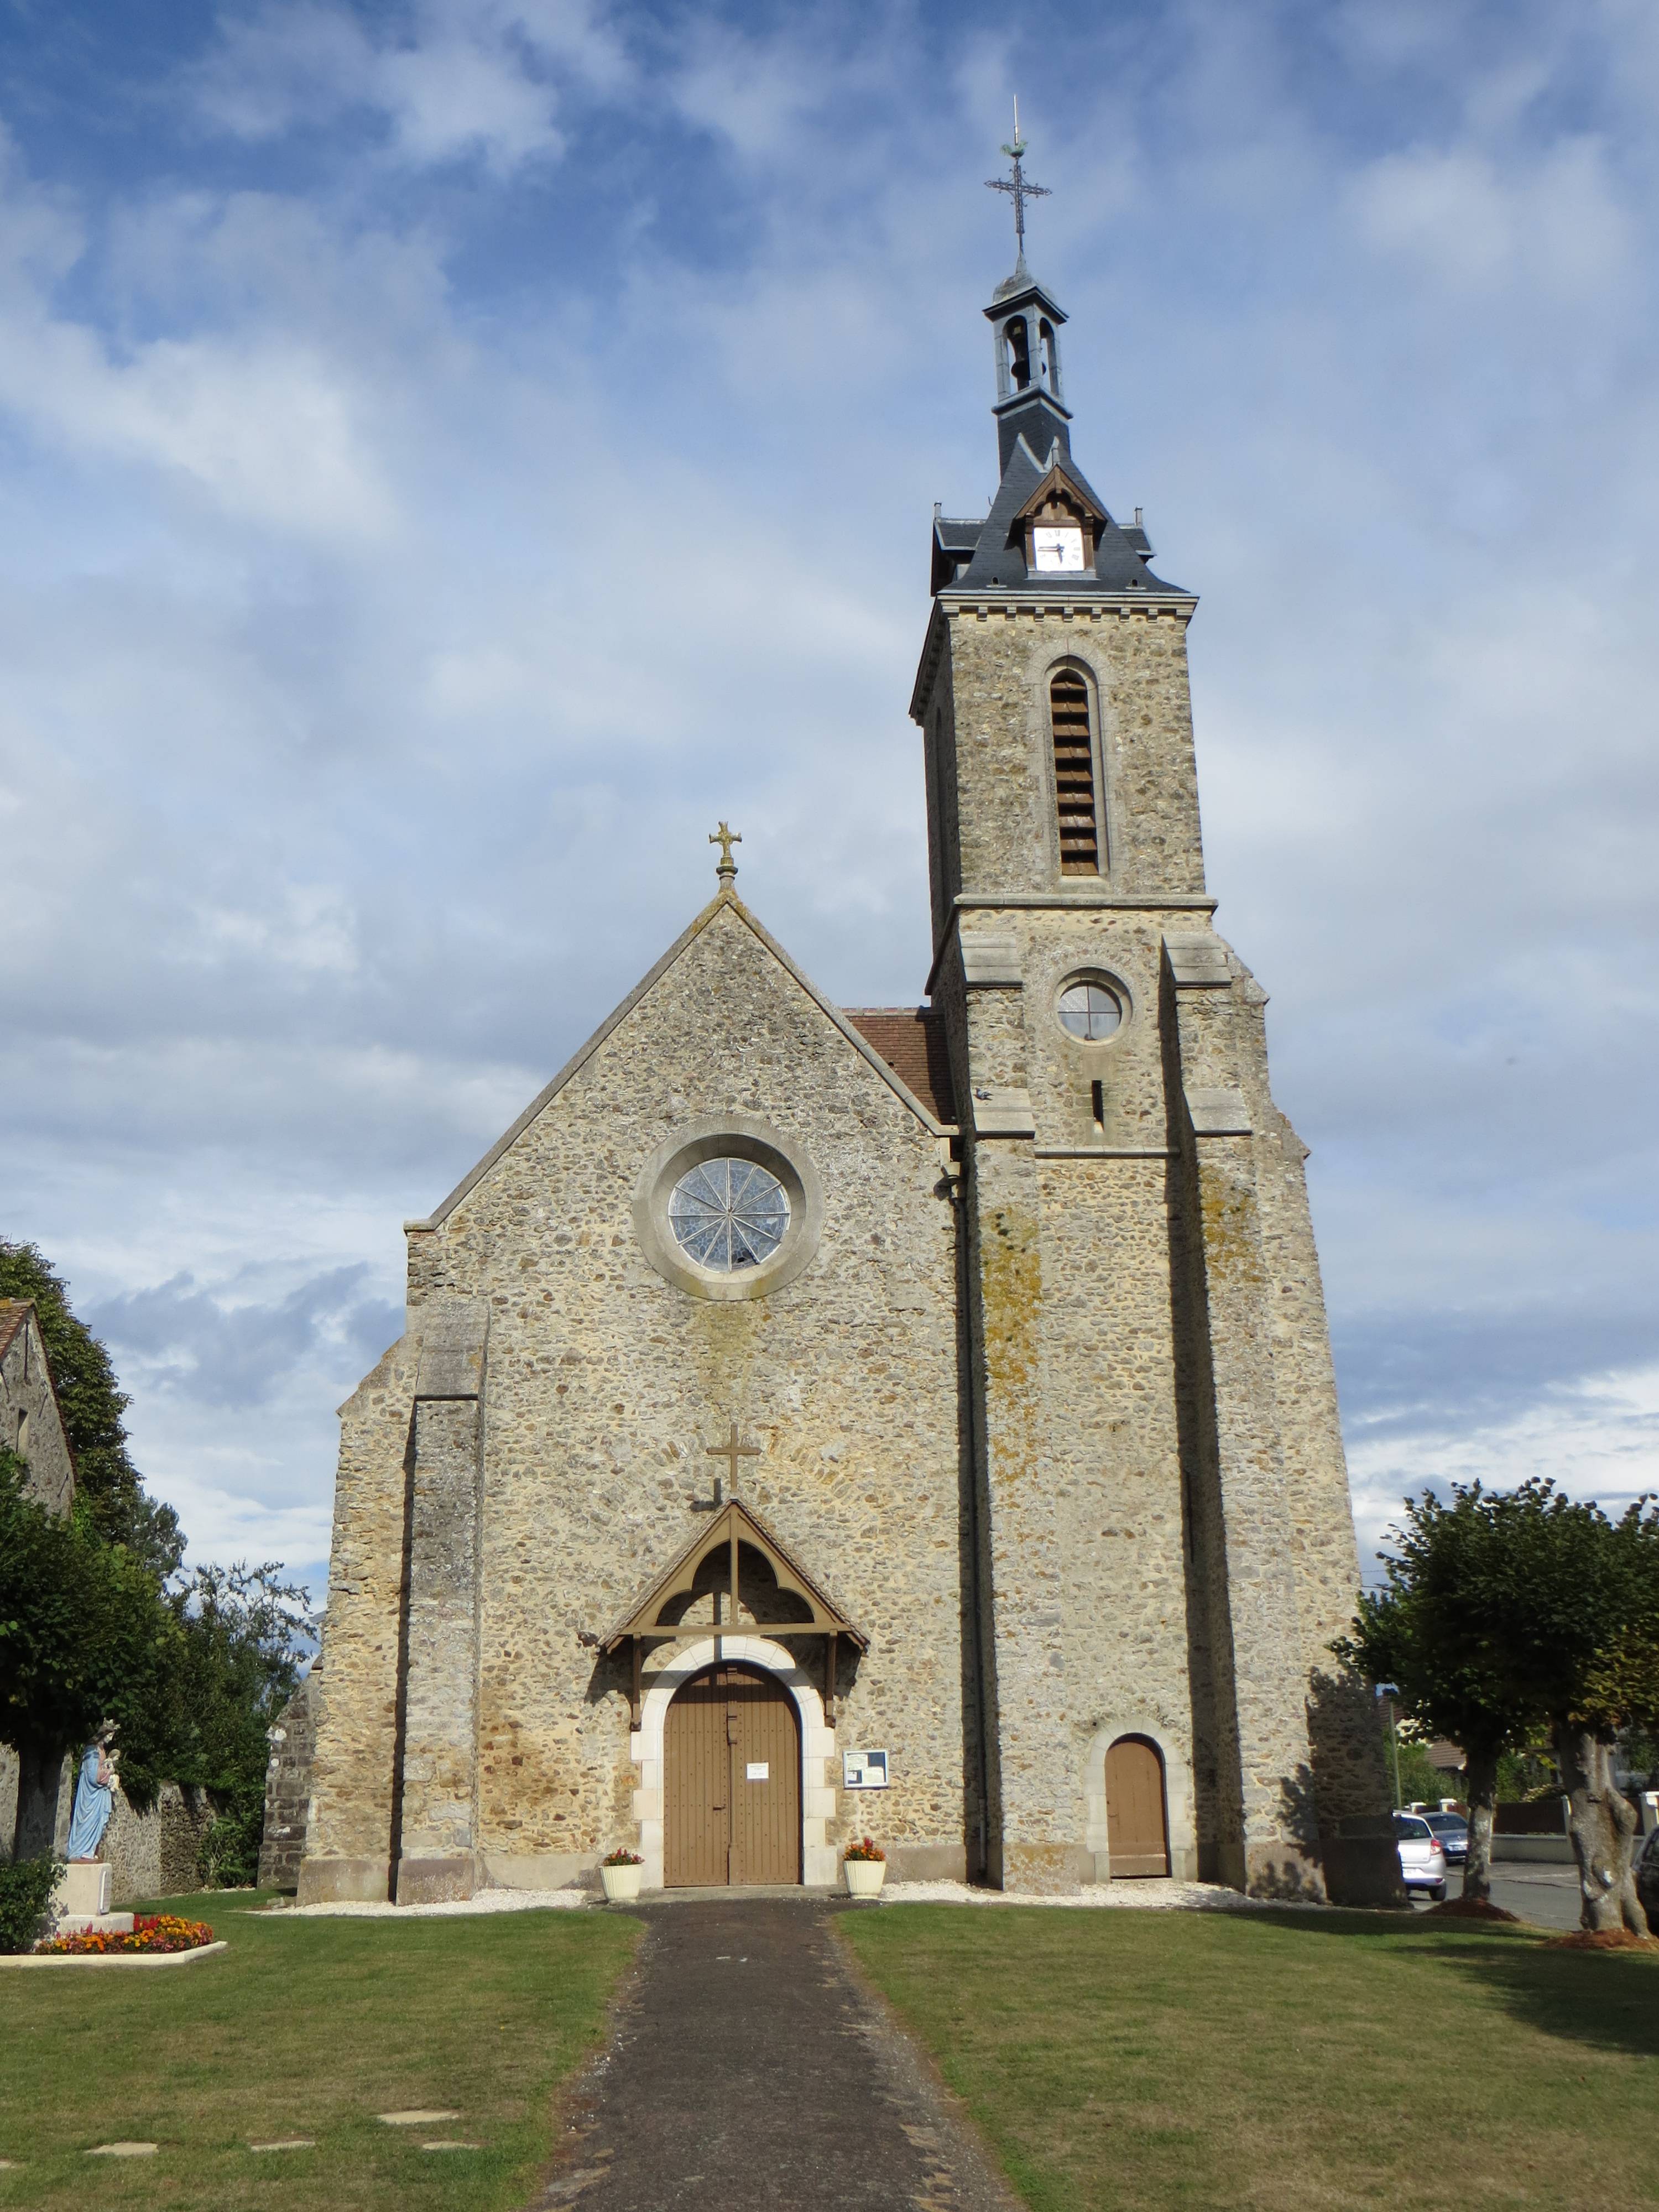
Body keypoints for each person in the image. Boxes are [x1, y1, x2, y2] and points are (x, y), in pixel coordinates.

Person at [65, 1740, 114, 1862]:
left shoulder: (102, 1751)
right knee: (88, 1821)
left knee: (101, 1822)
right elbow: (94, 1778)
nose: (110, 1739)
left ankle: (91, 1849)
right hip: (90, 1797)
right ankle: (83, 1850)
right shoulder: (92, 1751)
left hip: (100, 1795)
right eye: (109, 1735)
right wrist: (109, 1772)